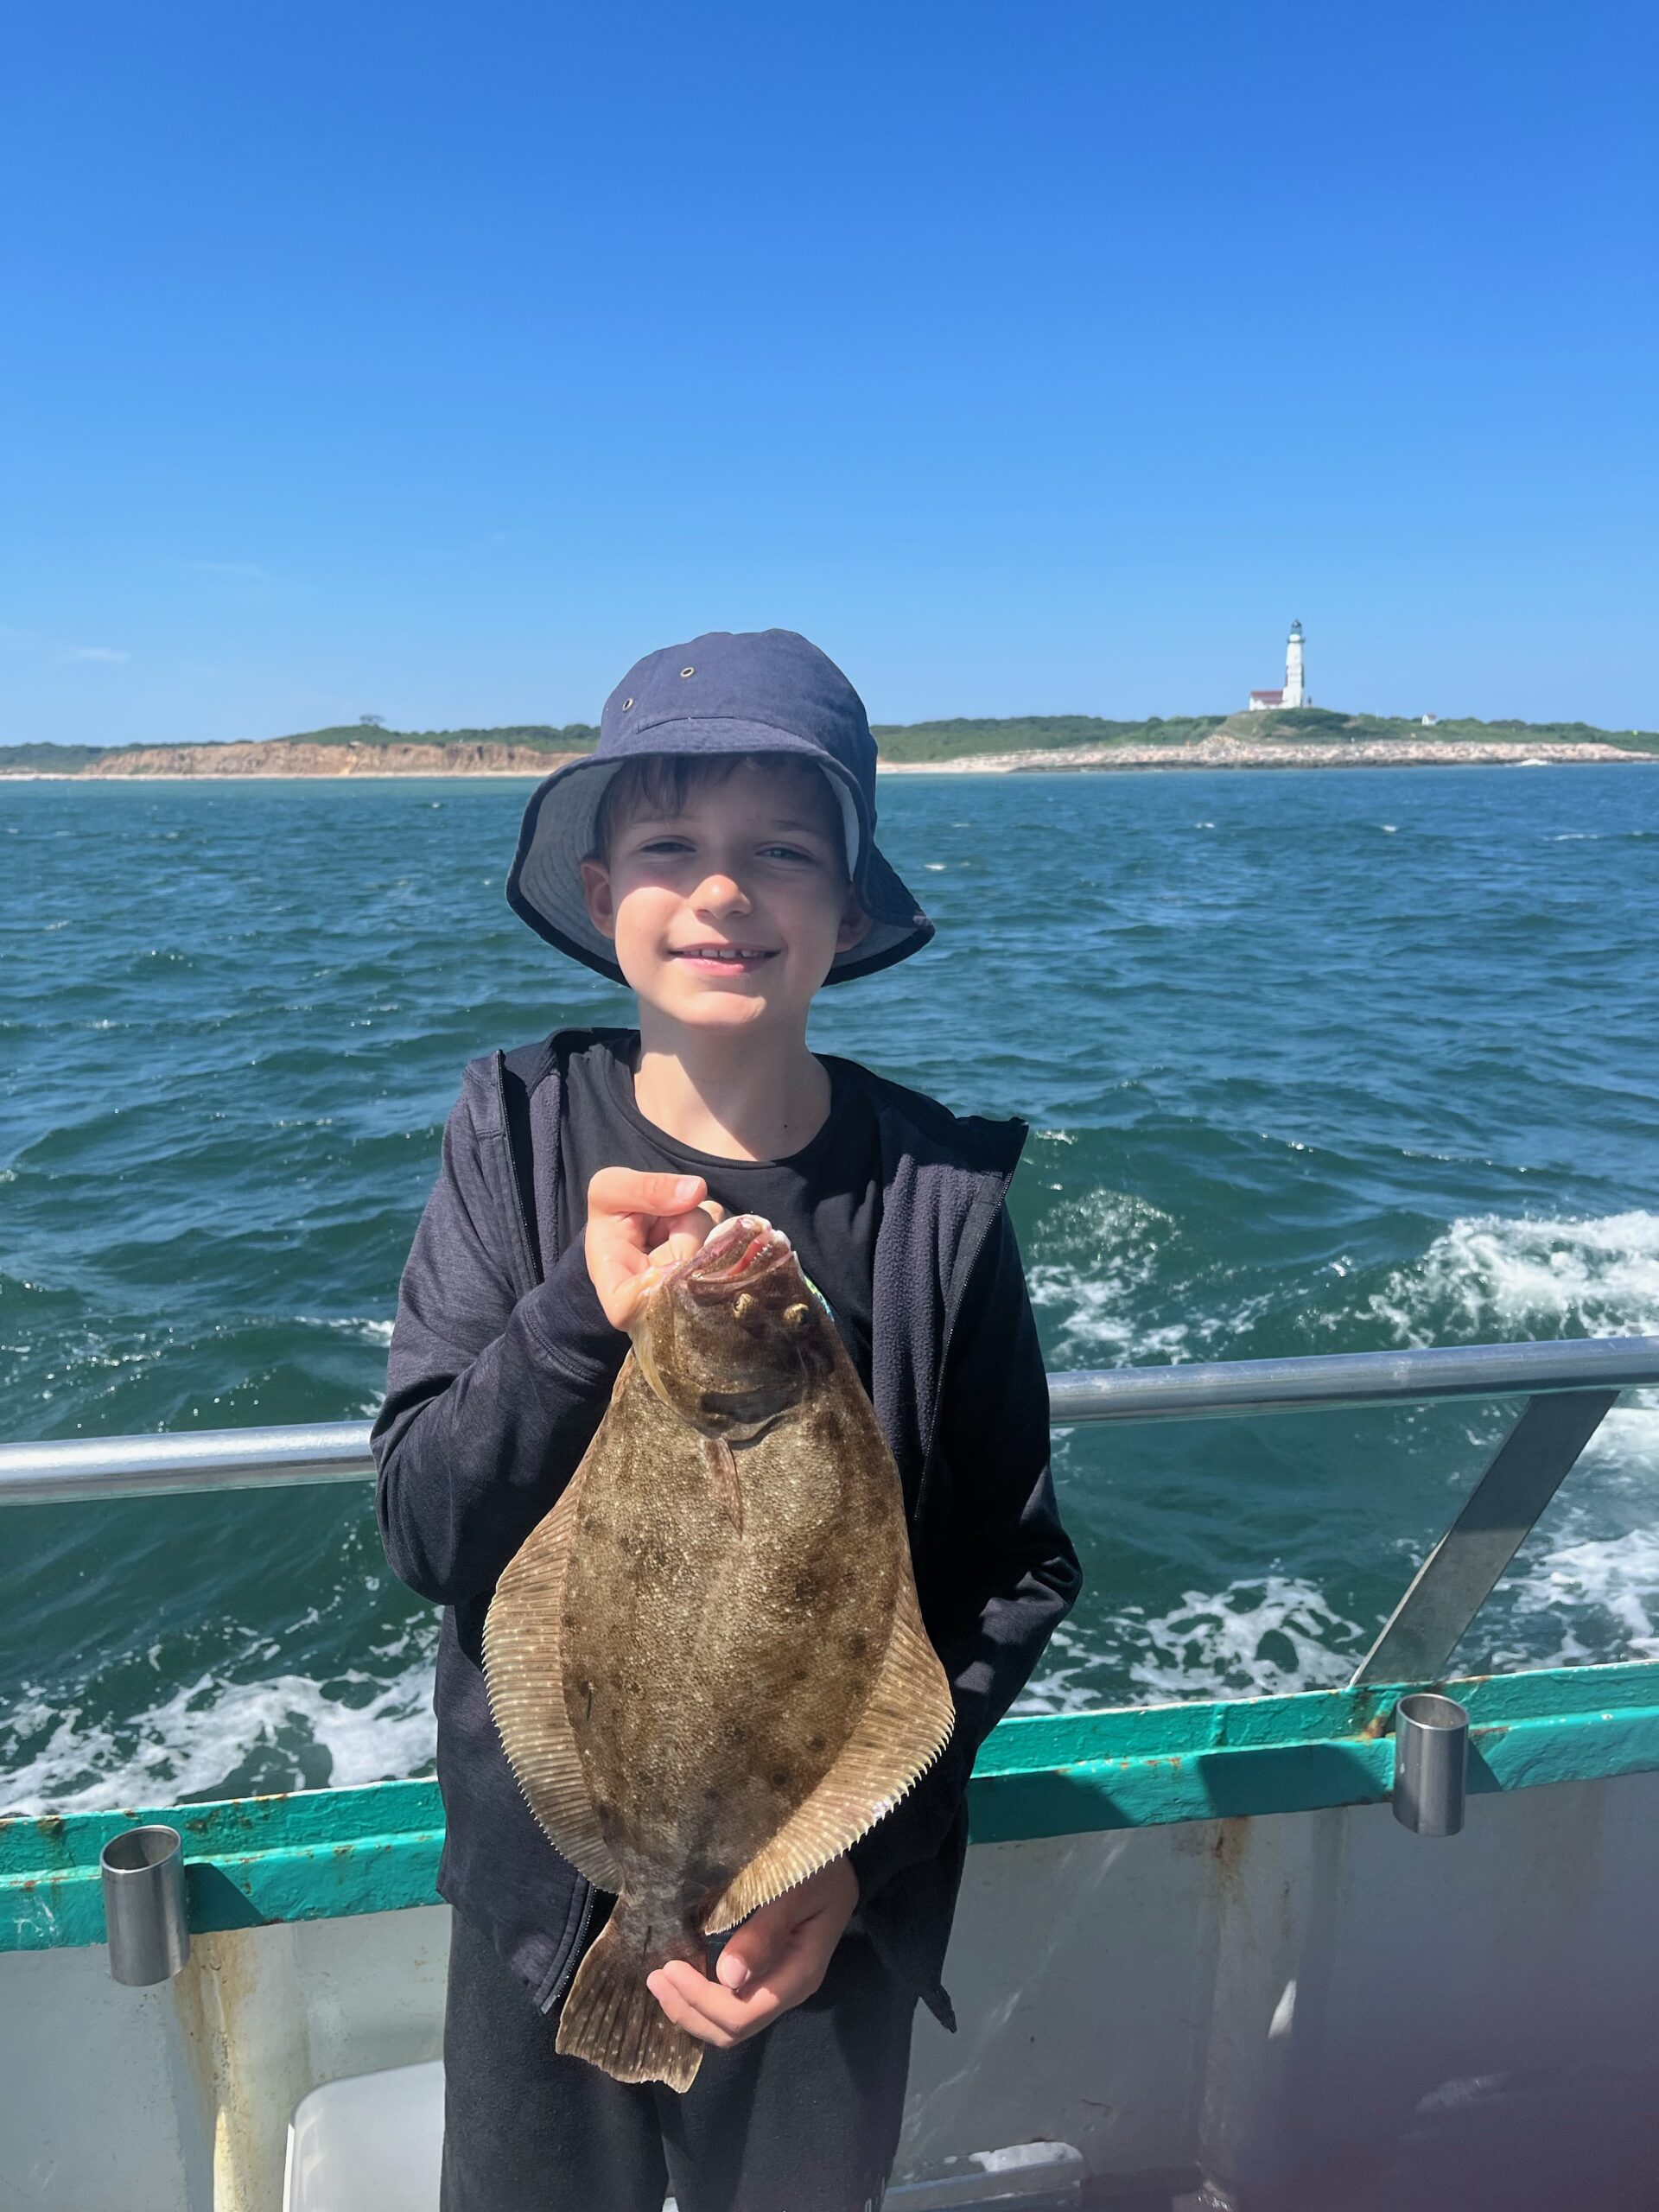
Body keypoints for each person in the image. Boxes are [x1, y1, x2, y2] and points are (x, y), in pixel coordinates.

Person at [372, 627, 1081, 2212]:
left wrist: (845, 1859)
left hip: (819, 1924)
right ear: (604, 883)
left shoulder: (938, 1207)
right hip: (546, 1929)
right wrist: (577, 1316)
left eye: (783, 851)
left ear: (845, 900)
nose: (723, 893)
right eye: (671, 847)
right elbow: (428, 1526)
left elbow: (1011, 1572)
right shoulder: (514, 1135)